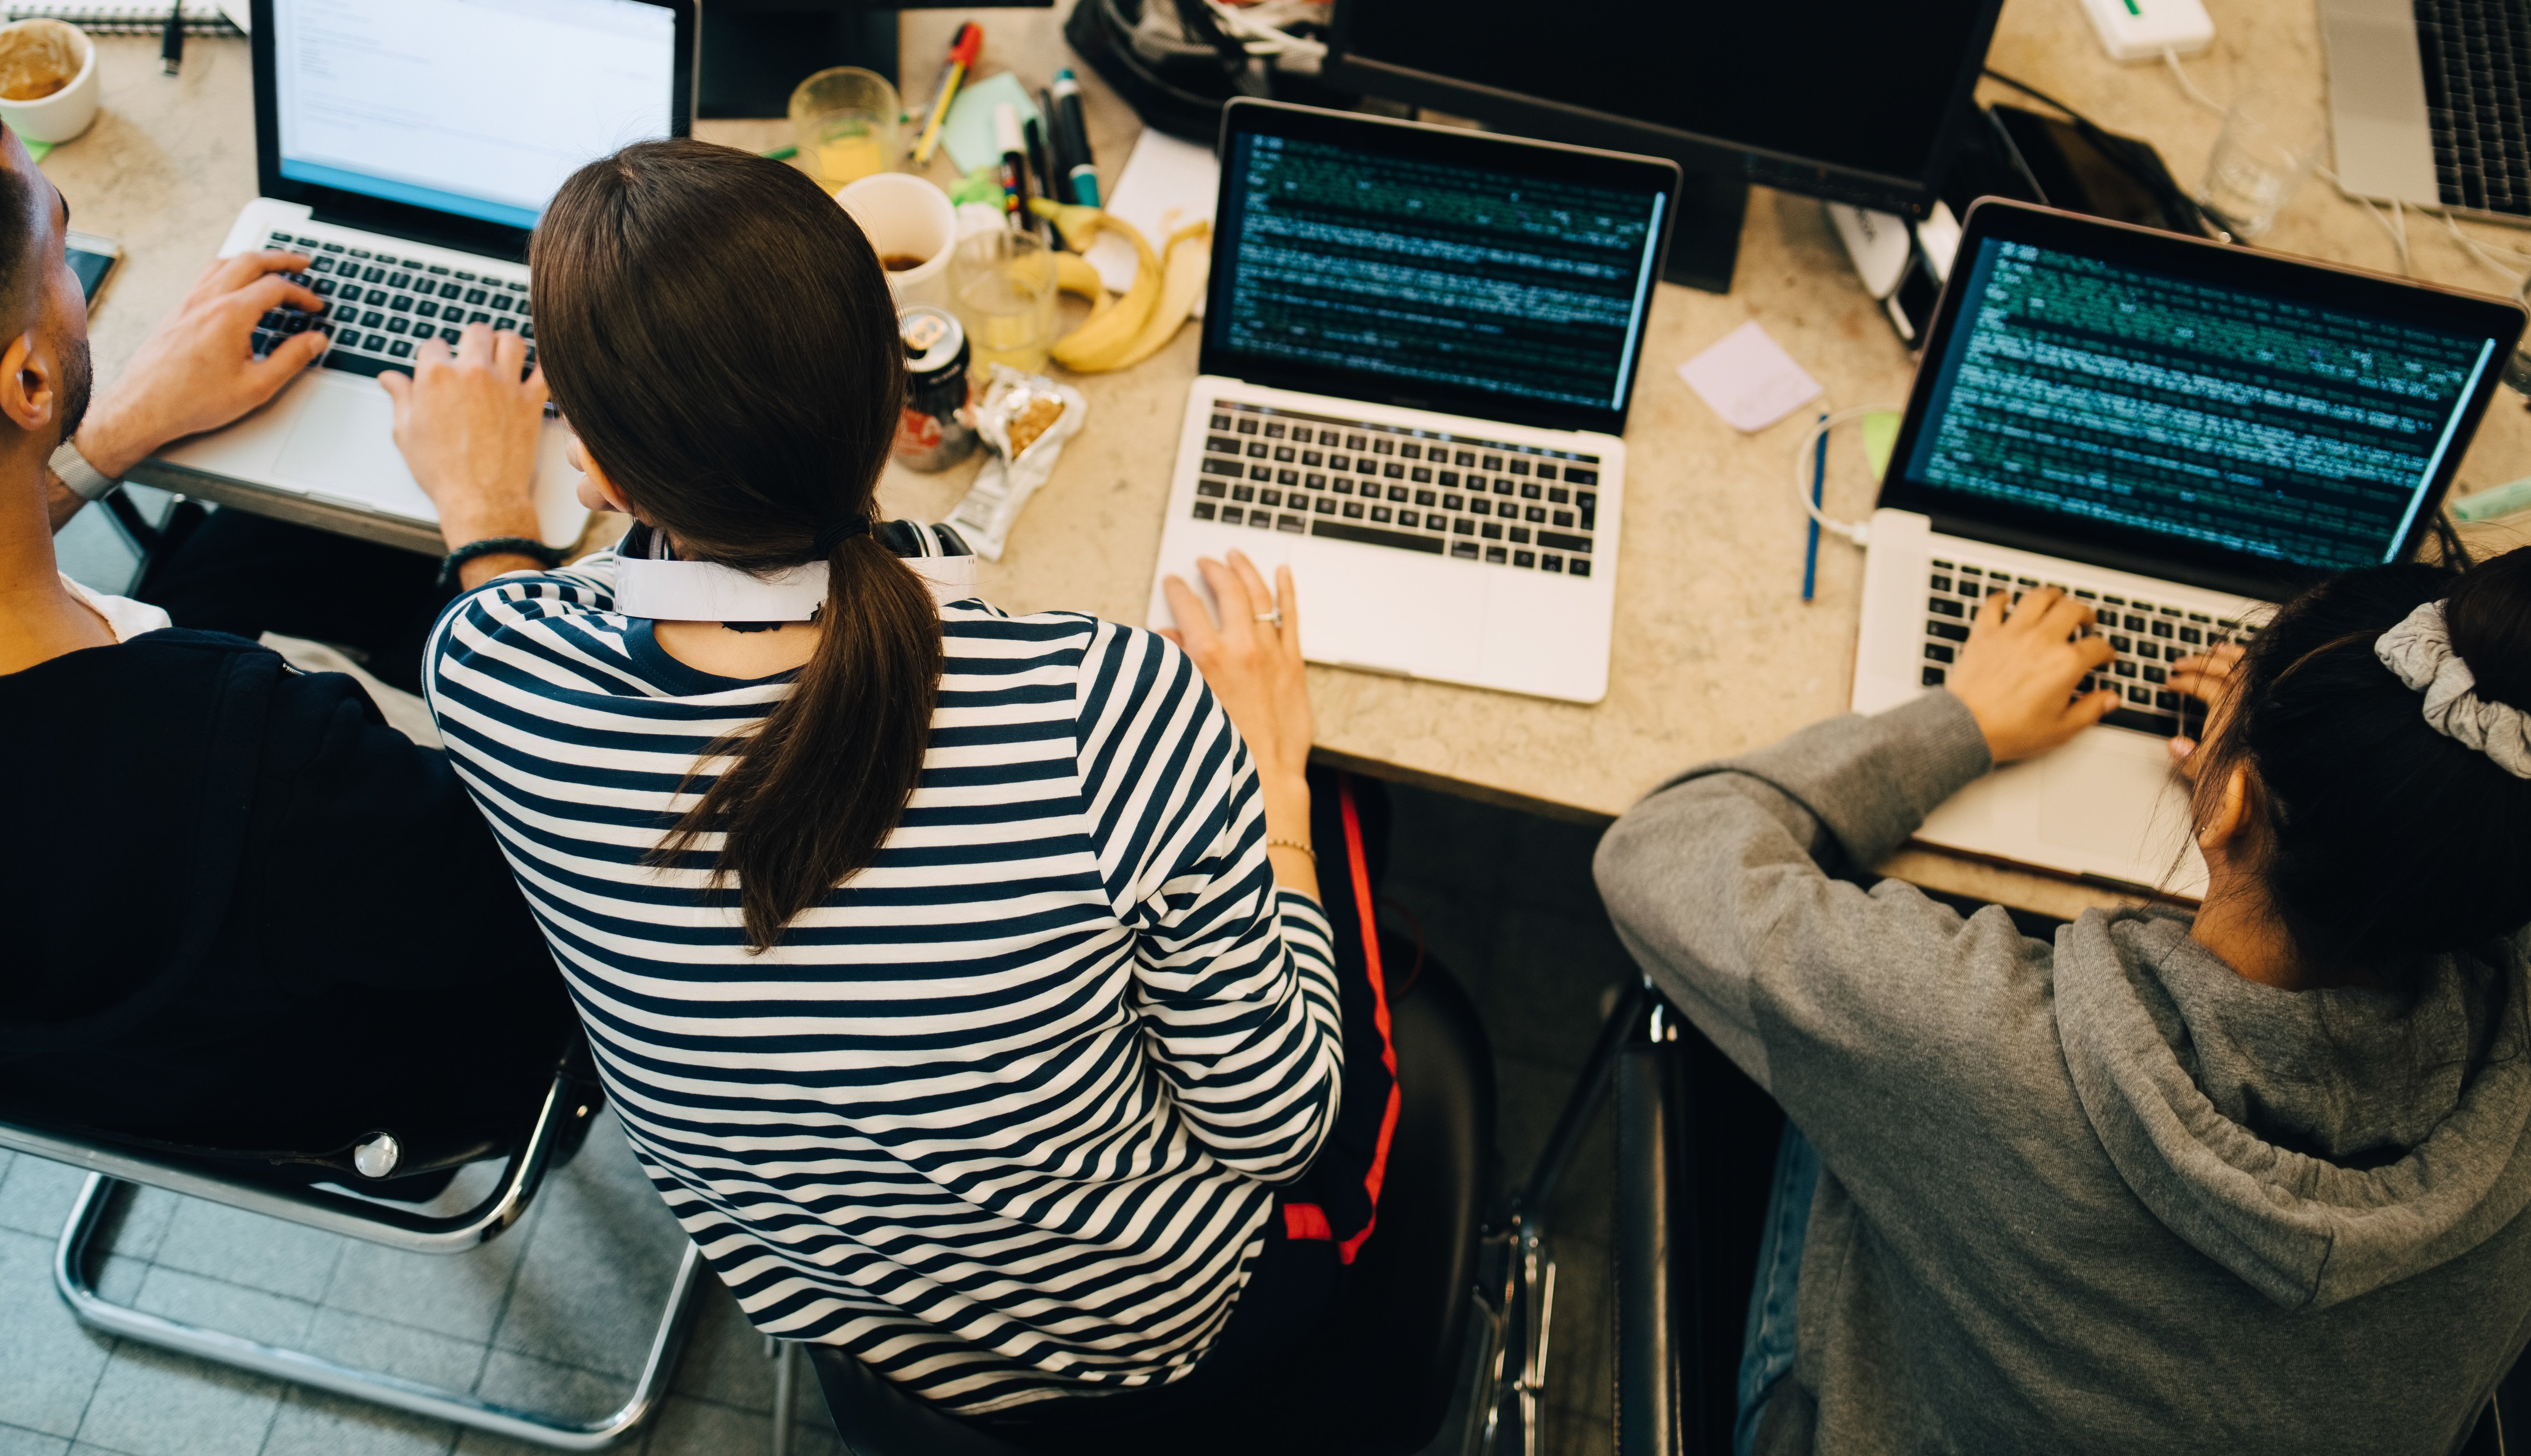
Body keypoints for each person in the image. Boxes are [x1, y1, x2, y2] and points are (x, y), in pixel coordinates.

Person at [418, 138, 1396, 1433]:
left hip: (849, 1324)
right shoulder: (1110, 712)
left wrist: (484, 513)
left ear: (593, 473)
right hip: (1149, 1333)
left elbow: (517, 624)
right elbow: (1279, 1132)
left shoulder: (487, 675)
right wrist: (1270, 776)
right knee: (1359, 836)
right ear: (897, 406)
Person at [1595, 559, 2531, 1455]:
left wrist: (1963, 719)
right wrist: (2362, 796)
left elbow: (1662, 851)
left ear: (2229, 804)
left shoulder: (1967, 1041)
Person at [0, 118, 574, 1161]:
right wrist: (491, 518)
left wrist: (112, 432)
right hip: (377, 1071)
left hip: (71, 1051)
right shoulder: (250, 749)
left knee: (245, 548)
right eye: (63, 240)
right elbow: (548, 864)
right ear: (27, 383)